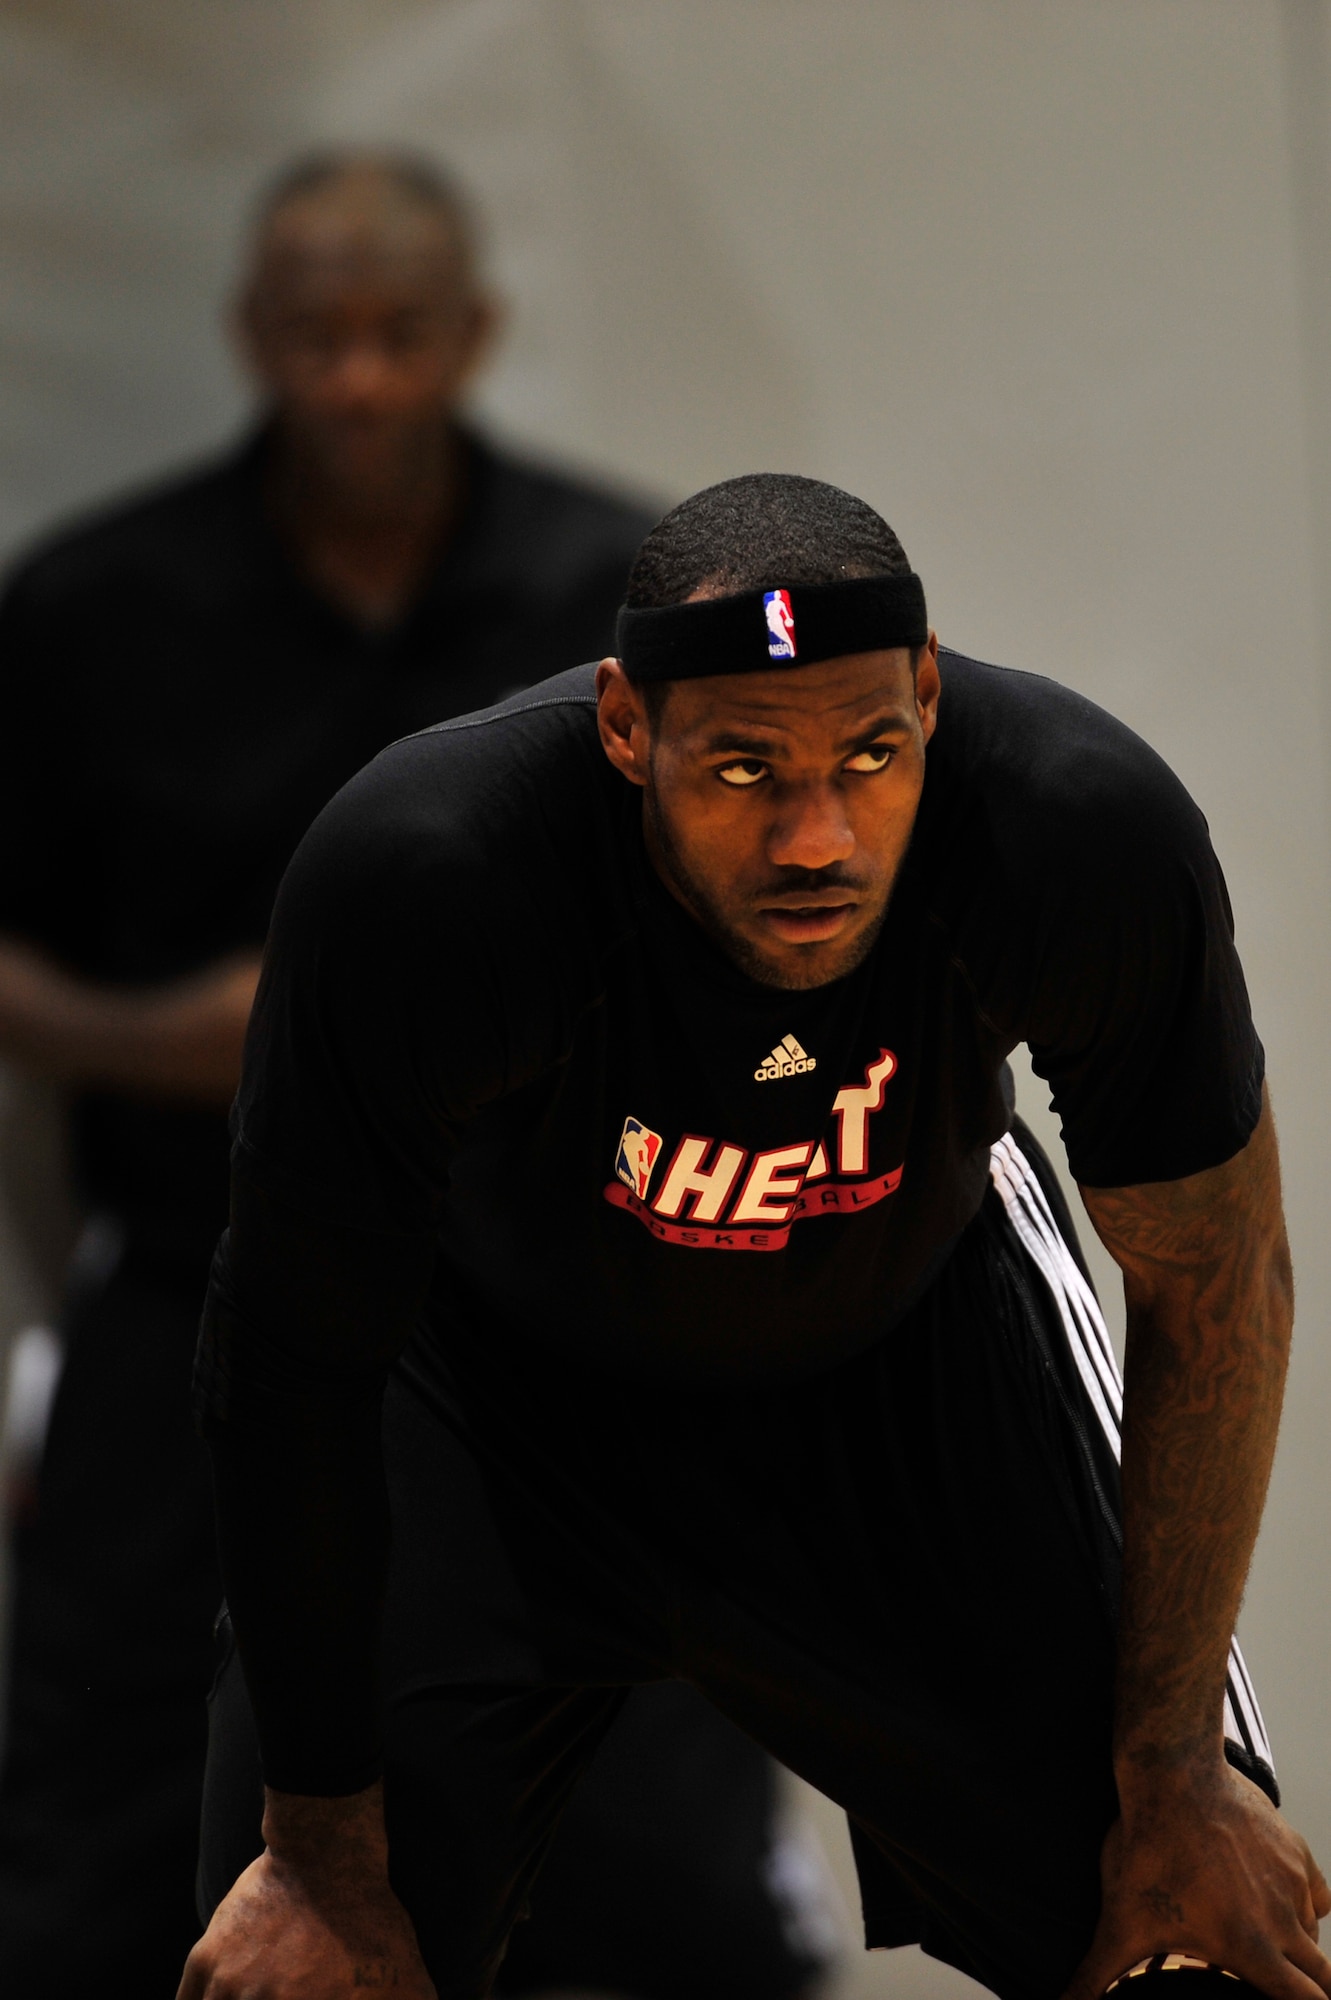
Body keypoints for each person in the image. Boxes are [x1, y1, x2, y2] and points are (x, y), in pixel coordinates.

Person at [182, 467, 1330, 2000]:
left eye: (871, 754)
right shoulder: (429, 870)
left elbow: (1217, 1282)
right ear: (623, 727)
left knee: (1194, 1936)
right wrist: (321, 1858)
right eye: (739, 771)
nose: (815, 838)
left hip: (911, 1370)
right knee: (302, 1970)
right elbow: (290, 1360)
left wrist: (1180, 1769)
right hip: (492, 1400)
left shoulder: (1074, 826)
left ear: (931, 698)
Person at [0, 155, 831, 2000]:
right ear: (251, 340)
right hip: (193, 1301)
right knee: (111, 1857)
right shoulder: (88, 607)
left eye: (399, 334)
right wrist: (172, 1039)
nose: (358, 378)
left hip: (559, 1309)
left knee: (652, 1854)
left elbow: (769, 913)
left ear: (475, 335)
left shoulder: (626, 603)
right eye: (318, 336)